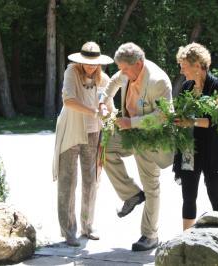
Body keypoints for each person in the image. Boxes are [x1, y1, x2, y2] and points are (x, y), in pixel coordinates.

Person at [99, 42, 173, 251]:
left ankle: (150, 236)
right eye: (120, 67)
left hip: (151, 137)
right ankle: (131, 194)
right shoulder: (125, 71)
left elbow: (164, 116)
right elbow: (113, 81)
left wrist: (132, 123)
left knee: (151, 187)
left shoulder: (158, 81)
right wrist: (104, 101)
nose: (122, 72)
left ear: (139, 63)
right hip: (128, 130)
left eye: (125, 68)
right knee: (104, 150)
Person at [52, 41, 113, 247]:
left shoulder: (103, 79)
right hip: (71, 130)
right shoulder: (71, 72)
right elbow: (68, 100)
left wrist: (106, 112)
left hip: (94, 133)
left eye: (94, 63)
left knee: (91, 181)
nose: (90, 66)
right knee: (68, 181)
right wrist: (94, 111)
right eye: (87, 62)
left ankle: (88, 226)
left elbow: (108, 106)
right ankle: (69, 230)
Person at [173, 42, 218, 231]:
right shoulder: (187, 86)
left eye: (184, 66)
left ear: (197, 65)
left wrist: (191, 121)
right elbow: (180, 115)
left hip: (212, 149)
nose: (182, 71)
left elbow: (217, 120)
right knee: (188, 197)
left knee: (215, 195)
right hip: (189, 148)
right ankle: (186, 240)